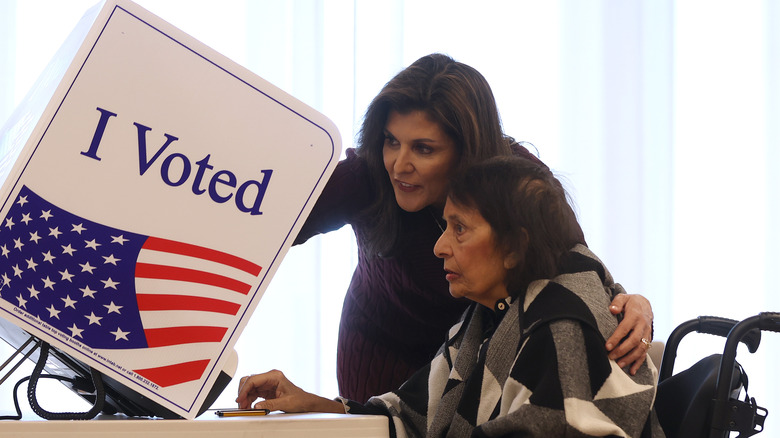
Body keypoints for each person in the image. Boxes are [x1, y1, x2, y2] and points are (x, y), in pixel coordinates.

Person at [294, 53, 654, 403]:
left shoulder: (517, 183)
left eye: (423, 148)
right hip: (382, 347)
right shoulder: (368, 174)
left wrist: (629, 302)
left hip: (477, 355)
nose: (399, 165)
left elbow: (570, 263)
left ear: (465, 150)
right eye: (391, 141)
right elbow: (270, 226)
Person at [238, 156, 665, 437]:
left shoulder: (559, 329)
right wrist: (312, 403)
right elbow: (410, 415)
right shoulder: (489, 318)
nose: (440, 247)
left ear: (515, 246)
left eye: (458, 228)